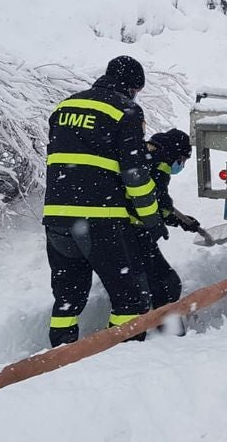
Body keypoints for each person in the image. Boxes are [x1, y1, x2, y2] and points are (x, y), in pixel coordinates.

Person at [42, 56, 164, 347]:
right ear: (134, 87)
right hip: (99, 220)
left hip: (56, 218)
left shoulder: (65, 107)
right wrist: (151, 218)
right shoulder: (126, 110)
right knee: (128, 299)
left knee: (68, 298)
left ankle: (59, 354)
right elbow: (134, 174)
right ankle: (119, 358)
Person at [135, 129, 201, 318]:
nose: (181, 165)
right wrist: (175, 219)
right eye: (183, 160)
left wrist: (180, 221)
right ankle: (165, 330)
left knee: (148, 283)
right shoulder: (162, 159)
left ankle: (155, 323)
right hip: (135, 229)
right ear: (177, 154)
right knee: (168, 283)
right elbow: (159, 196)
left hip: (123, 227)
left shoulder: (145, 152)